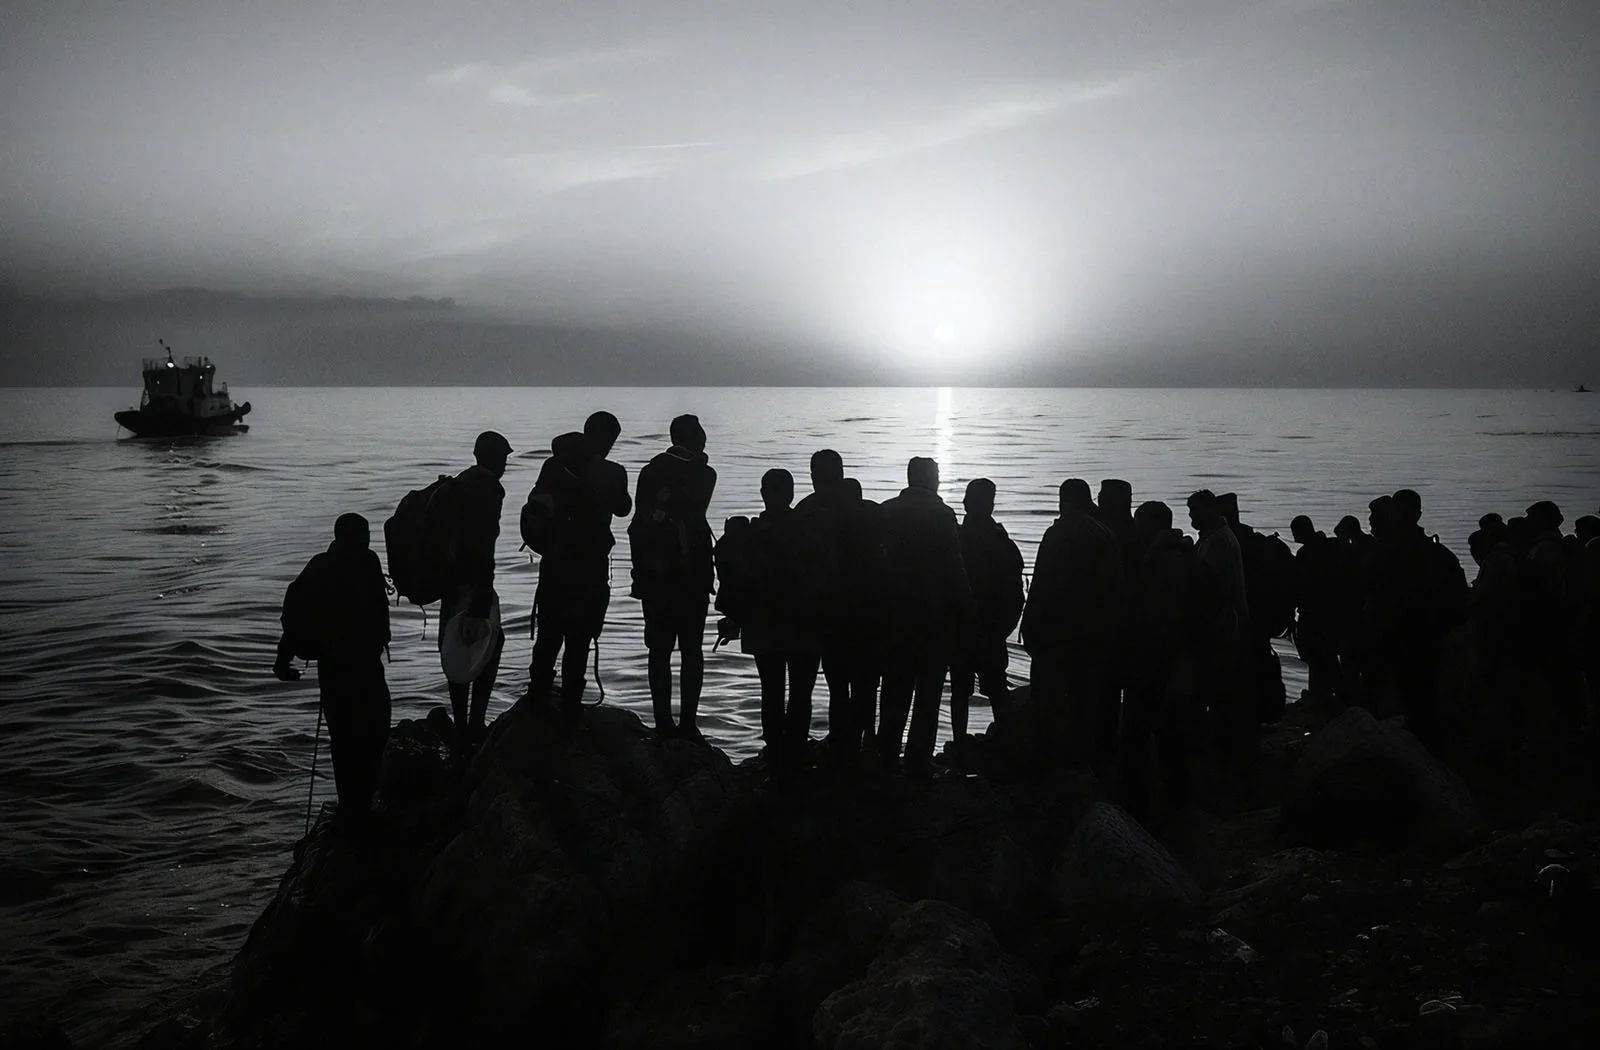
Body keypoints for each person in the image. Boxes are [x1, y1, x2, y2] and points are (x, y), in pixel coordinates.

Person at [274, 513, 392, 819]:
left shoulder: (338, 564)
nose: (366, 540)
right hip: (351, 664)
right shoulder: (358, 563)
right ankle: (357, 803)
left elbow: (295, 618)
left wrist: (283, 660)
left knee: (353, 735)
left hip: (346, 665)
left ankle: (356, 803)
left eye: (367, 535)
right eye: (362, 535)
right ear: (346, 537)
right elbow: (297, 617)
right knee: (361, 733)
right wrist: (283, 660)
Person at [526, 412, 632, 715]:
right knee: (579, 639)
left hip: (555, 563)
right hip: (590, 566)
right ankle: (571, 709)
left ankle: (537, 701)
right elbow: (624, 508)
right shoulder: (613, 471)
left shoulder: (552, 465)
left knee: (548, 634)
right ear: (607, 439)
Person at [1022, 478, 1126, 771]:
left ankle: (1052, 762)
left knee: (1051, 699)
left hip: (1057, 631)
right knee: (1084, 698)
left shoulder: (1057, 534)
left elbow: (1042, 584)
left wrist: (1029, 627)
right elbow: (1116, 589)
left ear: (1063, 501)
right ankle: (1085, 762)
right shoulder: (1105, 534)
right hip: (1094, 632)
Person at [878, 457, 971, 778]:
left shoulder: (886, 511)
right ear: (932, 479)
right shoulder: (942, 515)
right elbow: (954, 569)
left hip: (892, 616)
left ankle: (886, 755)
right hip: (933, 618)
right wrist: (967, 612)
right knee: (928, 692)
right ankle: (918, 759)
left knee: (893, 689)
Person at [629, 414, 717, 740]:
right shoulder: (704, 473)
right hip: (688, 574)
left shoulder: (650, 472)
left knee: (660, 650)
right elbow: (695, 507)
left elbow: (638, 522)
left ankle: (665, 722)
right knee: (690, 649)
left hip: (655, 575)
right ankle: (685, 723)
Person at [794, 450, 876, 765]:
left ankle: (838, 743)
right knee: (863, 682)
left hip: (822, 612)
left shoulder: (806, 511)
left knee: (836, 683)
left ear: (814, 476)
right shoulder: (865, 510)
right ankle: (863, 743)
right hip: (863, 609)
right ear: (841, 474)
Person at [1120, 500, 1199, 824]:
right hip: (1173, 659)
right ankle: (1174, 800)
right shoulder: (1181, 555)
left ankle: (1149, 809)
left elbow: (1158, 615)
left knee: (1146, 733)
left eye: (1140, 523)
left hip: (1159, 660)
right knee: (1169, 733)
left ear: (1152, 526)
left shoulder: (1162, 561)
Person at [741, 468, 824, 772]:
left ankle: (775, 752)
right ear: (791, 494)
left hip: (764, 624)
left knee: (771, 691)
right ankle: (796, 752)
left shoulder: (751, 533)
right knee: (801, 693)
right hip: (804, 624)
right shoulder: (809, 531)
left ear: (763, 493)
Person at [442, 430, 511, 747]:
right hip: (473, 581)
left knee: (455, 644)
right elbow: (483, 544)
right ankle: (474, 724)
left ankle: (460, 723)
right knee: (488, 642)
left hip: (451, 581)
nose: (506, 464)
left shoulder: (460, 482)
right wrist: (481, 597)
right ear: (495, 458)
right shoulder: (487, 487)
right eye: (505, 457)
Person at [1186, 489, 1254, 779]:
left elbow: (1206, 589)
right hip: (1226, 626)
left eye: (1195, 512)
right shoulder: (1218, 539)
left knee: (1220, 689)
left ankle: (1225, 752)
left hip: (1223, 629)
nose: (1191, 517)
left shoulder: (1217, 543)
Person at [950, 478, 1024, 744]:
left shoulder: (957, 539)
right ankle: (1004, 741)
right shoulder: (1001, 542)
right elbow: (1017, 594)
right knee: (995, 689)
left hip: (966, 628)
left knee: (963, 689)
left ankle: (962, 743)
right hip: (990, 629)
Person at [1290, 514, 1344, 708]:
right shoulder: (1331, 547)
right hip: (1329, 612)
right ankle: (1324, 694)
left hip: (1314, 613)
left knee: (1319, 656)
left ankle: (1327, 694)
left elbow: (1301, 584)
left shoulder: (1306, 554)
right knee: (1323, 656)